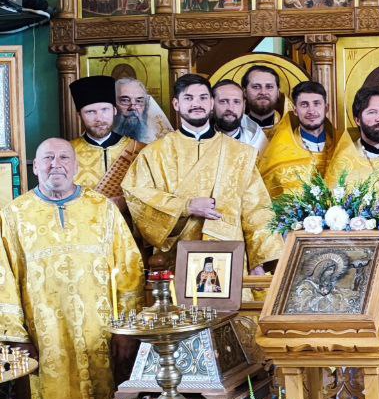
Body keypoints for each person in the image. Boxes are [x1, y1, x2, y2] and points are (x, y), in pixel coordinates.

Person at [0, 139, 143, 399]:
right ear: (35, 167)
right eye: (47, 158)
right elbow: (4, 278)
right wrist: (16, 336)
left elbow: (129, 271)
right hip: (46, 336)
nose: (56, 164)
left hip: (99, 332)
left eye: (64, 157)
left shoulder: (102, 209)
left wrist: (125, 330)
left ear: (76, 166)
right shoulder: (14, 215)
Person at [122, 73, 281, 271]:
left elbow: (257, 210)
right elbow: (138, 197)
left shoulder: (239, 153)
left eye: (203, 98)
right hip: (176, 257)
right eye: (188, 98)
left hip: (231, 255)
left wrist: (259, 261)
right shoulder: (154, 153)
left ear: (212, 103)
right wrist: (185, 206)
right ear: (176, 104)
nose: (197, 104)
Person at [70, 75, 142, 209]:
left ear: (114, 110)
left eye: (104, 110)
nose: (99, 118)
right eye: (90, 112)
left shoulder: (137, 149)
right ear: (79, 115)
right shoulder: (67, 153)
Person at [259, 80, 336, 199]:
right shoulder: (278, 154)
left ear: (326, 108)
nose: (311, 111)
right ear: (295, 110)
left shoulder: (341, 147)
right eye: (304, 105)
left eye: (316, 103)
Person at [211, 79, 268, 153]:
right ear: (211, 104)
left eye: (236, 102)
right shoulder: (198, 141)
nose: (230, 108)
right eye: (223, 101)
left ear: (244, 106)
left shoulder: (258, 143)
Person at [114, 76, 173, 144]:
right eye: (125, 100)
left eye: (139, 101)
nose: (133, 107)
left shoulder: (158, 141)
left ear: (146, 106)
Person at [243, 65, 284, 134]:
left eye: (269, 87)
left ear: (278, 92)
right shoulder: (235, 130)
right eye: (256, 87)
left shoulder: (291, 128)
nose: (263, 92)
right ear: (245, 92)